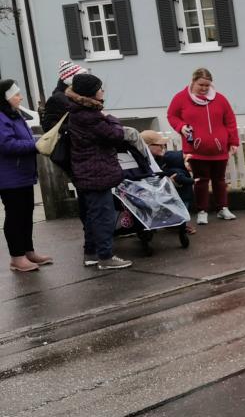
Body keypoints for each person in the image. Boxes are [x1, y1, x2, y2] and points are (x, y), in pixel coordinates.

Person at [66, 73, 139, 269]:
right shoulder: (90, 117)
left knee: (92, 215)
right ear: (91, 93)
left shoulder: (77, 113)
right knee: (103, 216)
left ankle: (91, 254)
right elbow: (115, 135)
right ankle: (105, 257)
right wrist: (112, 119)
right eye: (99, 89)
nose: (102, 92)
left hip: (86, 171)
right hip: (96, 172)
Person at [167, 68, 239, 225]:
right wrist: (181, 126)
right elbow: (171, 116)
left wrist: (233, 141)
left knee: (219, 180)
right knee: (200, 180)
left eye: (207, 85)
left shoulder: (220, 99)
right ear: (193, 81)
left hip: (219, 149)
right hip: (196, 150)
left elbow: (230, 120)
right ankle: (202, 211)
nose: (204, 88)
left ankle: (223, 208)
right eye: (201, 85)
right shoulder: (180, 98)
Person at [0, 80, 52, 272]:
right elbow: (7, 145)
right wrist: (35, 145)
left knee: (26, 213)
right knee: (15, 216)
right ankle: (17, 257)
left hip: (22, 174)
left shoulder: (14, 115)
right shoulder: (1, 117)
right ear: (5, 98)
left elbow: (26, 139)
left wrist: (40, 140)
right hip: (9, 177)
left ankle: (28, 251)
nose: (20, 97)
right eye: (16, 95)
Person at [141, 129, 196, 233]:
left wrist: (184, 160)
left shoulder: (161, 158)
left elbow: (173, 160)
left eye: (163, 145)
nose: (163, 147)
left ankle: (178, 223)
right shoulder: (141, 161)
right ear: (147, 146)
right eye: (159, 145)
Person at [41, 59, 86, 131]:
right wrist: (74, 128)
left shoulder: (78, 93)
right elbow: (48, 125)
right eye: (81, 78)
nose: (84, 81)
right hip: (68, 140)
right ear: (71, 80)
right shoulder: (57, 99)